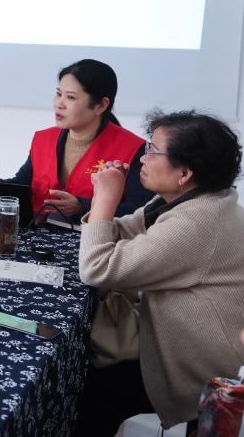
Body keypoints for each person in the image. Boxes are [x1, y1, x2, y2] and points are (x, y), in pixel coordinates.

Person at [76, 110, 244, 435]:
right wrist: (103, 211)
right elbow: (121, 231)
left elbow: (97, 268)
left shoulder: (195, 222)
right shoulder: (195, 199)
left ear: (184, 172)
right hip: (190, 341)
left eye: (152, 150)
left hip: (201, 365)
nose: (142, 158)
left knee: (90, 389)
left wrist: (104, 199)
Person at [0, 59, 150, 218]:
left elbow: (142, 211)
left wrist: (83, 207)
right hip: (39, 233)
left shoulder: (134, 149)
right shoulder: (43, 139)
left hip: (94, 238)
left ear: (101, 105)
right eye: (58, 94)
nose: (59, 104)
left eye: (70, 97)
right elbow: (24, 184)